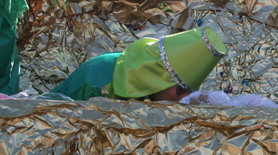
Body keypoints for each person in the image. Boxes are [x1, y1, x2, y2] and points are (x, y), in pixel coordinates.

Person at [51, 26, 227, 101]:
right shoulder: (98, 83)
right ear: (160, 76)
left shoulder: (140, 81)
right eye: (181, 90)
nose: (182, 99)